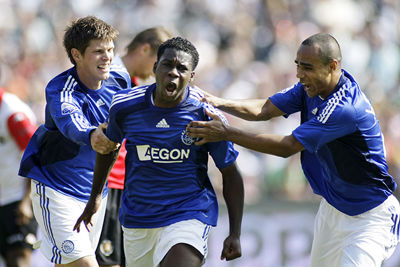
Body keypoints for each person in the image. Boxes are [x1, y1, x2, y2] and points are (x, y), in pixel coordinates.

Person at [186, 33, 400, 267]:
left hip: (370, 217)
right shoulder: (311, 87)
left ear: (333, 66)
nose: (299, 74)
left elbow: (287, 147)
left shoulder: (345, 108)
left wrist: (226, 132)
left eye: (307, 67)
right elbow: (265, 109)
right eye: (298, 66)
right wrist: (216, 101)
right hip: (333, 209)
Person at [74, 37, 244, 267]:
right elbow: (109, 147)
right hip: (138, 217)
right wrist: (95, 197)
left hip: (188, 213)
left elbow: (230, 172)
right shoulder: (125, 106)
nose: (173, 72)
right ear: (155, 67)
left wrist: (235, 232)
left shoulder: (206, 115)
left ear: (191, 77)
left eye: (182, 68)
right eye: (167, 65)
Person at [18, 16, 129, 267]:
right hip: (57, 189)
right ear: (76, 55)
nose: (108, 57)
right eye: (98, 51)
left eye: (110, 50)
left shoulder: (119, 80)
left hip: (94, 192)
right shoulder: (61, 89)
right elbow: (73, 124)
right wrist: (93, 136)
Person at [96, 26, 172, 267]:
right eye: (159, 63)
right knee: (107, 261)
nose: (159, 72)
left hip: (126, 185)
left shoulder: (134, 83)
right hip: (108, 183)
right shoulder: (109, 79)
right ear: (145, 49)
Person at [0, 87, 37, 267]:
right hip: (3, 198)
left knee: (19, 260)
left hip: (16, 200)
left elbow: (36, 154)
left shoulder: (12, 113)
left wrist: (26, 200)